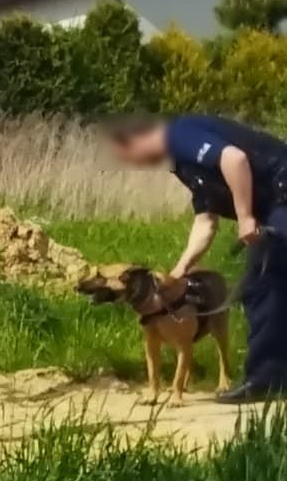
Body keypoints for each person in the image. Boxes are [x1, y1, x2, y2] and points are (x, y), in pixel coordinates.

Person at [111, 110, 287, 402]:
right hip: (276, 203)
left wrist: (244, 217)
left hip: (283, 187)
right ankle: (269, 378)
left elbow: (235, 159)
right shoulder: (187, 168)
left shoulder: (178, 134)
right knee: (269, 279)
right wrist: (179, 272)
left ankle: (267, 380)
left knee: (264, 275)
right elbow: (206, 223)